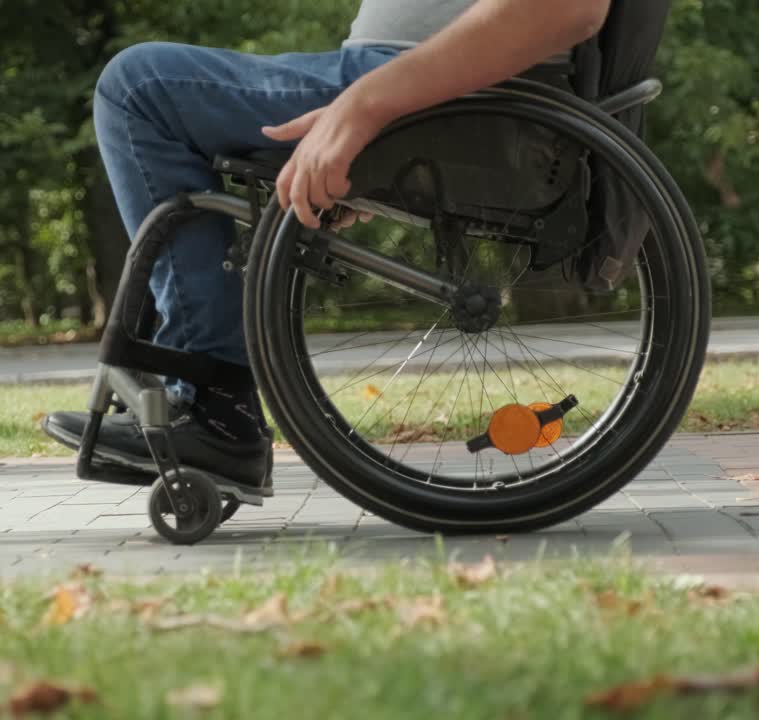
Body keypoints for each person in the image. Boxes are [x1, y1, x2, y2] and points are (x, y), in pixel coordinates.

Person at [42, 0, 612, 488]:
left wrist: (366, 108)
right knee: (141, 85)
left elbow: (567, 8)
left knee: (138, 88)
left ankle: (212, 407)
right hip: (423, 88)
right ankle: (210, 403)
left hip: (436, 92)